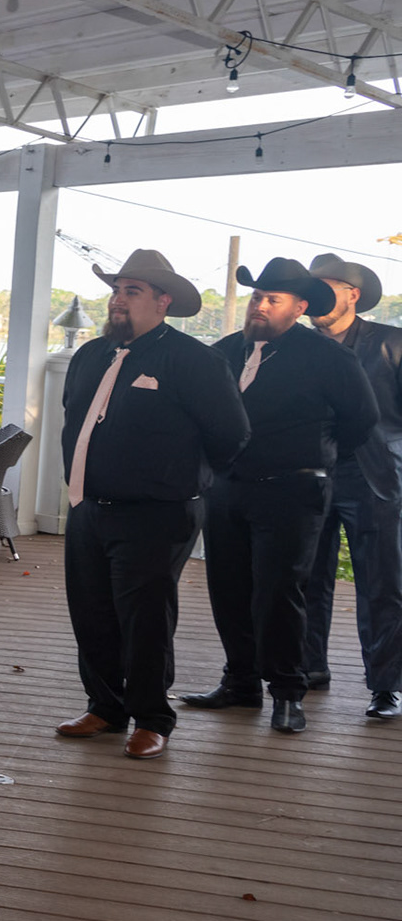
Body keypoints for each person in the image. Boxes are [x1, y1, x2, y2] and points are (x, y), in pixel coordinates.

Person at [56, 251, 249, 760]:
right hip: (88, 508)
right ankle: (105, 706)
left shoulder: (194, 361)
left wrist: (179, 478)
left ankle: (152, 718)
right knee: (91, 612)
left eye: (132, 291)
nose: (118, 300)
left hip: (157, 513)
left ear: (163, 301)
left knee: (145, 620)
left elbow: (231, 435)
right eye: (116, 290)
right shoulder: (90, 355)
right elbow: (73, 419)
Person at [185, 257, 378, 736]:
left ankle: (288, 693)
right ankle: (240, 682)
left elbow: (361, 419)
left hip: (293, 489)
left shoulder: (327, 357)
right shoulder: (225, 351)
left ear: (299, 308)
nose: (260, 306)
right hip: (227, 489)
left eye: (273, 299)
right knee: (228, 588)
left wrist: (318, 454)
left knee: (279, 592)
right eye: (257, 297)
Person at [301, 254, 402, 721]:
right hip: (309, 473)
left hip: (376, 477)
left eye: (326, 287)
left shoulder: (391, 343)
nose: (316, 297)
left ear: (353, 294)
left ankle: (386, 686)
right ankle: (308, 667)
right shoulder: (294, 344)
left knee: (383, 584)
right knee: (305, 578)